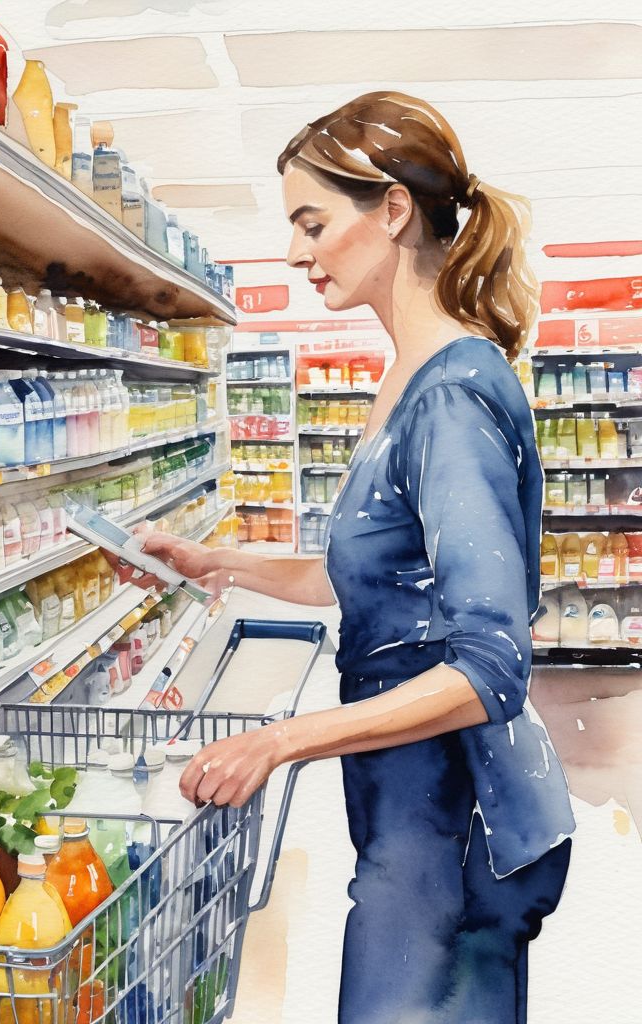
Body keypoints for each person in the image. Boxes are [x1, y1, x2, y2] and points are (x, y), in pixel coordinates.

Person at [135, 92, 576, 1023]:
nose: (296, 252)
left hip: (460, 822)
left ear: (392, 211)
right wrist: (220, 564)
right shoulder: (404, 378)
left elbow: (491, 668)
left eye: (311, 223)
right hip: (412, 811)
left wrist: (280, 742)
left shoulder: (452, 397)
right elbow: (369, 579)